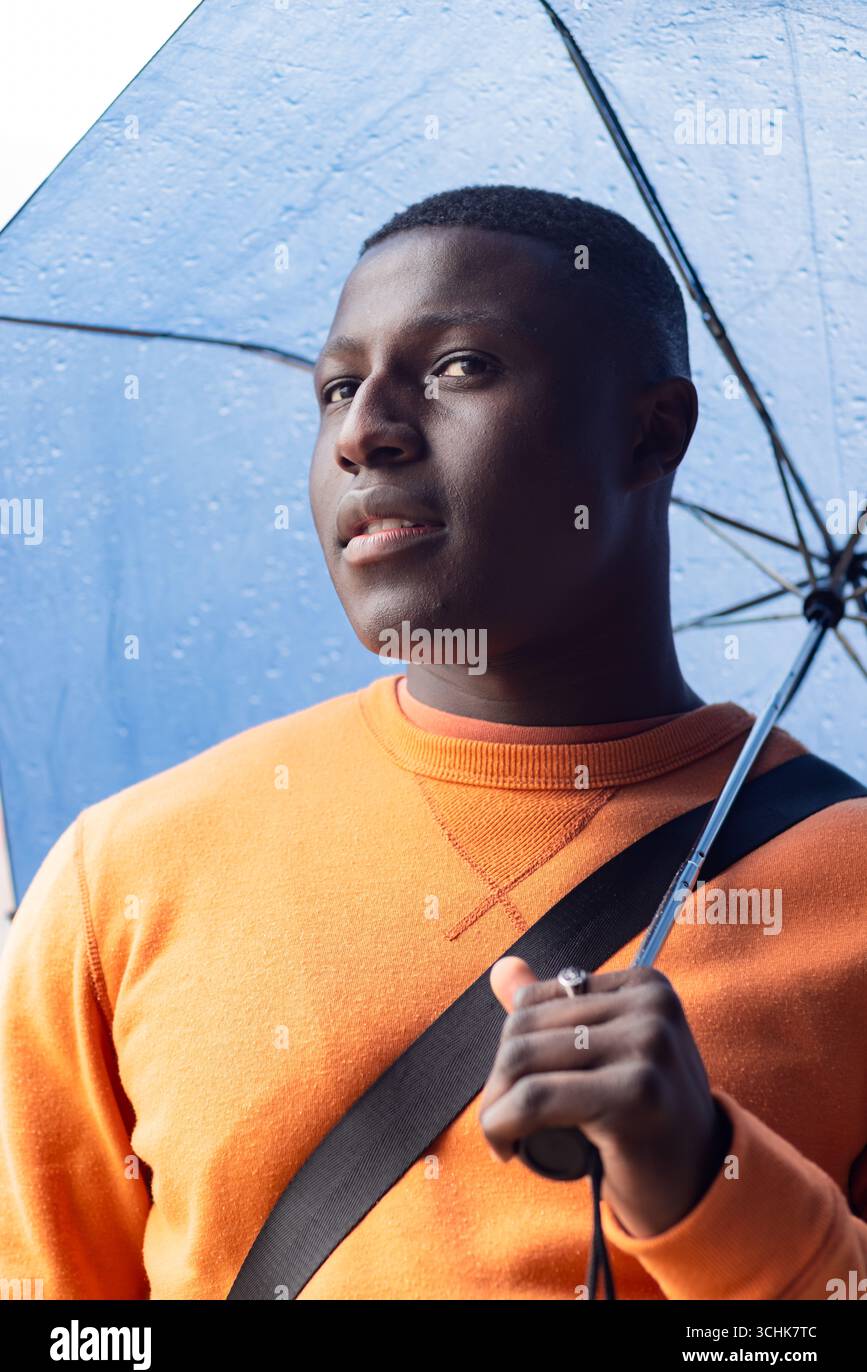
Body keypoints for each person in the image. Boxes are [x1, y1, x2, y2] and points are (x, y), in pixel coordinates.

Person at [1, 184, 866, 1301]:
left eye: (460, 366)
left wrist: (704, 1184)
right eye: (337, 388)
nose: (364, 432)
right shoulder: (125, 874)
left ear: (652, 432)